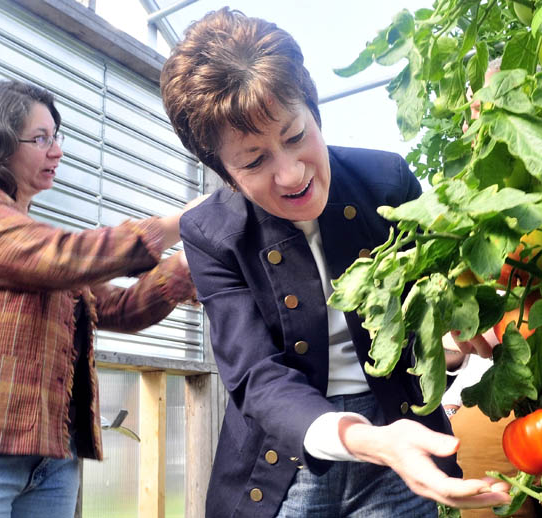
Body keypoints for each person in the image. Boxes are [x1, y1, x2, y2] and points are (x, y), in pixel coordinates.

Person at [160, 8, 511, 517]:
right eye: (255, 161)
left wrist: (461, 323)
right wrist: (363, 439)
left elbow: (437, 293)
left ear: (314, 113)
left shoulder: (385, 183)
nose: (290, 174)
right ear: (225, 173)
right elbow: (257, 375)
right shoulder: (212, 233)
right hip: (286, 454)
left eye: (296, 135)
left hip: (401, 432)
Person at [0, 79, 200, 518]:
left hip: (51, 459)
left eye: (56, 137)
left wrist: (183, 269)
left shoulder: (34, 238)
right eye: (41, 138)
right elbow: (56, 257)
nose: (57, 151)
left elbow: (115, 308)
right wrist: (181, 224)